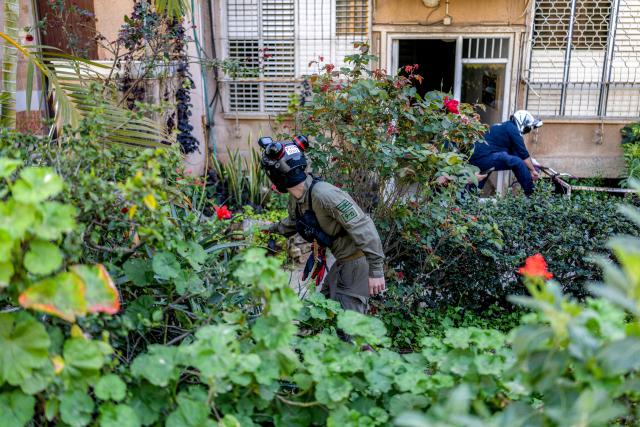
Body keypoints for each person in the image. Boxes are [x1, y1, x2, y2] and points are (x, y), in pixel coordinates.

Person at [259, 135, 386, 314]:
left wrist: (376, 271)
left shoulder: (324, 195)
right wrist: (269, 231)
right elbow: (294, 222)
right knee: (320, 315)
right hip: (342, 262)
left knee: (349, 333)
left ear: (277, 175)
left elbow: (363, 225)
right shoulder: (298, 197)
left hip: (356, 264)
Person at [469, 110, 543, 196]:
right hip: (484, 157)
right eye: (528, 127)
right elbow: (523, 154)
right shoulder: (513, 130)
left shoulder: (505, 127)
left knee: (476, 185)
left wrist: (532, 162)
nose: (528, 131)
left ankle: (466, 202)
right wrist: (533, 170)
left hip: (478, 157)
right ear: (522, 123)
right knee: (517, 162)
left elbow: (516, 152)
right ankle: (532, 195)